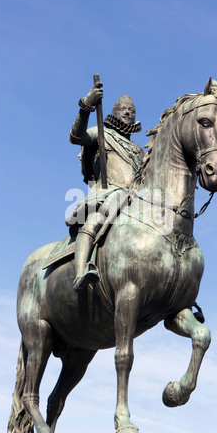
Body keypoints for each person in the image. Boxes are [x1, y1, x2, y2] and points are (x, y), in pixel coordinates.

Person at [68, 80, 145, 291]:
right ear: (114, 112)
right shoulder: (103, 135)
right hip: (108, 193)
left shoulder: (140, 151)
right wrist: (86, 107)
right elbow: (76, 137)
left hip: (136, 200)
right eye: (124, 109)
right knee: (94, 221)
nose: (128, 113)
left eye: (132, 111)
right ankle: (80, 272)